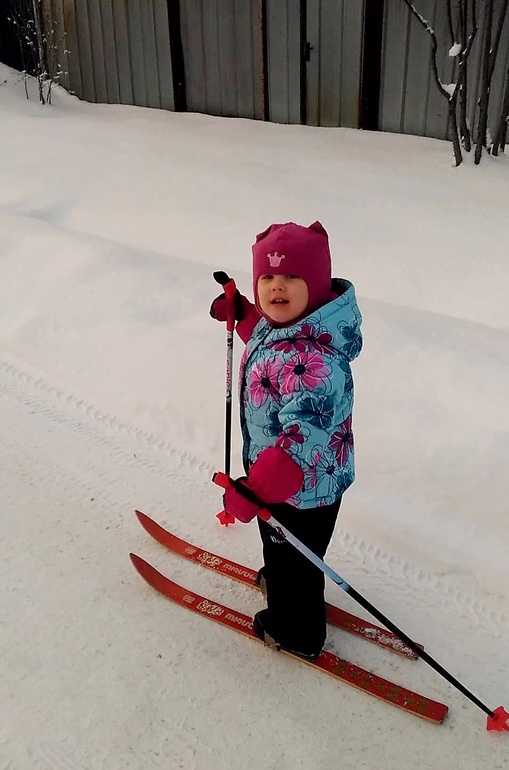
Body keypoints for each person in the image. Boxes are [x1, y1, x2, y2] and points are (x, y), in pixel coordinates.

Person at [210, 221, 362, 661]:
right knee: (285, 553)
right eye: (268, 277)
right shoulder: (285, 327)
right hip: (280, 482)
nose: (278, 286)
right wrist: (243, 313)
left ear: (316, 285)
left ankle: (297, 631)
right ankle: (283, 580)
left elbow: (301, 441)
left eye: (292, 276)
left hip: (301, 487)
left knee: (295, 559)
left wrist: (253, 491)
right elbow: (266, 338)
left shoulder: (314, 360)